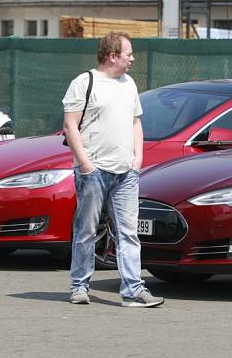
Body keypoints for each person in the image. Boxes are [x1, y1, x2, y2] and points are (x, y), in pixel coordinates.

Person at [62, 31, 164, 308]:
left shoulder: (129, 84)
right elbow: (70, 125)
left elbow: (135, 122)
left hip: (126, 172)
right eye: (128, 53)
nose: (132, 59)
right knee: (86, 230)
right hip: (94, 171)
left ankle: (133, 290)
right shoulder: (84, 83)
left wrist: (138, 158)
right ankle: (79, 286)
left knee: (129, 232)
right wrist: (85, 163)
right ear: (112, 56)